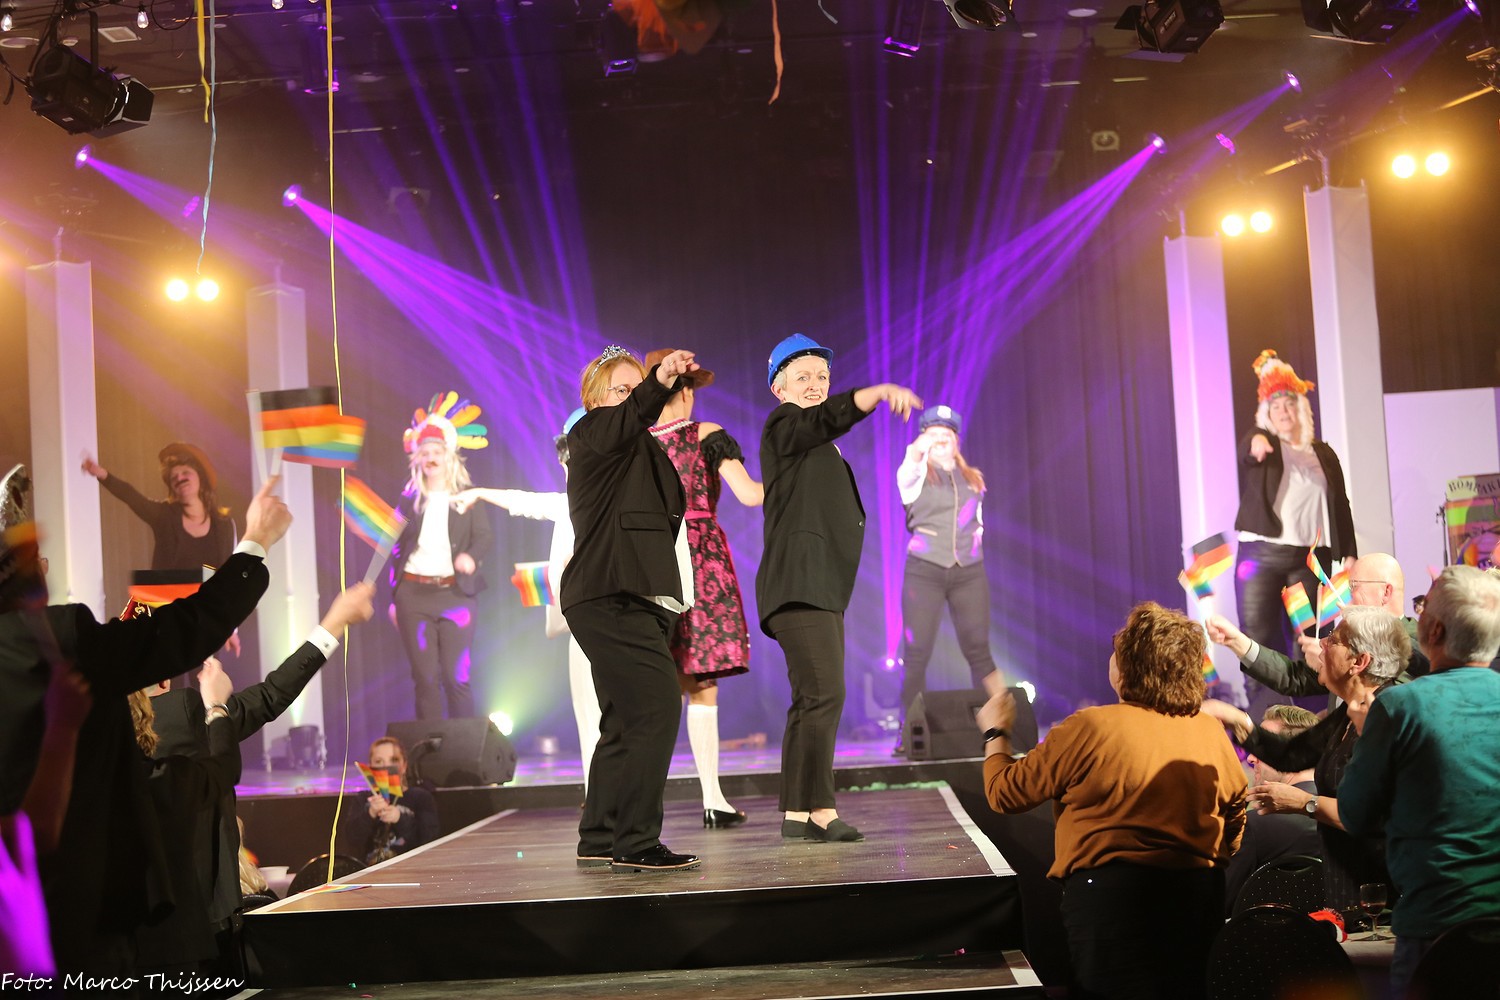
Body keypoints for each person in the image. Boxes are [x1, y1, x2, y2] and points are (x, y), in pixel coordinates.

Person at [0, 475, 291, 975]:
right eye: (34, 558)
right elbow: (181, 630)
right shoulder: (57, 642)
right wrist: (255, 542)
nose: (44, 566)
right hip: (80, 914)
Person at [976, 602, 1247, 1000]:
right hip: (1197, 896)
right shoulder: (1209, 731)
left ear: (1127, 667)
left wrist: (995, 732)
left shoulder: (1091, 726)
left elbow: (1005, 793)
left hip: (1113, 902)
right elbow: (1234, 822)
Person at [756, 333, 922, 844]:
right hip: (800, 583)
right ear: (779, 388)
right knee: (826, 693)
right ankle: (821, 810)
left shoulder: (814, 441)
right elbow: (823, 419)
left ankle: (798, 813)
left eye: (822, 377)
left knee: (812, 698)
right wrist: (874, 394)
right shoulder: (785, 424)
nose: (815, 385)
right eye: (803, 377)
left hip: (815, 585)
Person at [562, 346, 702, 872]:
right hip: (610, 592)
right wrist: (658, 380)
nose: (631, 398)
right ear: (597, 400)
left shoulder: (637, 446)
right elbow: (631, 416)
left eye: (633, 388)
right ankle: (637, 839)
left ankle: (600, 835)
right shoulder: (592, 433)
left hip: (631, 595)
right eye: (621, 390)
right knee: (658, 706)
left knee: (623, 719)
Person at [1338, 565, 1500, 998]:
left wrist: (1364, 737)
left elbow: (1354, 813)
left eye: (1423, 609)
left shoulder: (1400, 707)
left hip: (1437, 930)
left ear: (1435, 630)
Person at [1202, 604, 1408, 917]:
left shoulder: (1388, 713)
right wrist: (1236, 719)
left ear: (1359, 662)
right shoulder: (1347, 712)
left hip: (1385, 897)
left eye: (1334, 640)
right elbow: (1291, 754)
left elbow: (1372, 816)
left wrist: (1304, 803)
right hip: (1348, 891)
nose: (1321, 643)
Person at [644, 347, 763, 830]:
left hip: (649, 559)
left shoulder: (635, 442)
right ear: (687, 391)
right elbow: (750, 494)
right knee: (700, 681)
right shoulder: (705, 435)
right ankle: (712, 798)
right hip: (697, 557)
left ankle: (640, 803)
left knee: (657, 682)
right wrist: (798, 473)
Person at [454, 409, 601, 793]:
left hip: (608, 618)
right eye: (566, 461)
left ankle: (611, 792)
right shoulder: (566, 505)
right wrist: (480, 493)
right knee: (588, 714)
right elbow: (522, 502)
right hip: (579, 624)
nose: (568, 469)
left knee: (609, 712)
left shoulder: (603, 504)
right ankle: (596, 792)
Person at [1233, 350, 1356, 718]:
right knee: (1256, 638)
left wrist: (1349, 552)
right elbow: (1248, 450)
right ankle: (1263, 721)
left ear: (1301, 408)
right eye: (1276, 407)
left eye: (1289, 404)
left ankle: (1313, 720)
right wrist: (1257, 442)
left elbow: (1341, 504)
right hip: (1261, 556)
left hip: (1308, 560)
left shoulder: (1323, 453)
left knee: (1312, 639)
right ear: (1267, 414)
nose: (1283, 411)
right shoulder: (1265, 445)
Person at [893, 404, 1004, 755]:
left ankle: (1000, 725)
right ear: (924, 439)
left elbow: (978, 522)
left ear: (957, 442)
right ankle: (908, 730)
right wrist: (922, 446)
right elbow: (912, 460)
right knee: (917, 653)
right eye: (934, 434)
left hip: (968, 571)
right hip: (925, 569)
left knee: (978, 648)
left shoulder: (973, 479)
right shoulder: (913, 476)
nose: (941, 440)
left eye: (947, 435)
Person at [390, 393, 494, 720]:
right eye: (425, 452)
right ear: (417, 459)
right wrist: (395, 596)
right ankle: (432, 748)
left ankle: (465, 748)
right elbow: (393, 547)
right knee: (425, 679)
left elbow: (484, 536)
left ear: (449, 457)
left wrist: (471, 557)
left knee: (456, 678)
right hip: (413, 596)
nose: (431, 458)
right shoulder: (409, 499)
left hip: (455, 596)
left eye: (437, 452)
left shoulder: (466, 496)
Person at [1206, 552, 1429, 704]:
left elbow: (1392, 702)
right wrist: (1237, 642)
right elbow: (1292, 677)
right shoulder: (1348, 638)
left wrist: (1336, 663)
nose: (1346, 596)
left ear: (1386, 592)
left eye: (1353, 586)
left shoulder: (1418, 642)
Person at [1222, 704, 1322, 915]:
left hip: (1266, 932)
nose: (1251, 758)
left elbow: (1222, 902)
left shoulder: (1254, 825)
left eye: (1263, 748)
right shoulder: (1343, 815)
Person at [81, 443, 238, 572]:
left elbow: (230, 574)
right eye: (174, 477)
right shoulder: (164, 516)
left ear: (200, 478)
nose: (180, 478)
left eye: (185, 472)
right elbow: (132, 497)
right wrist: (102, 474)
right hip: (169, 601)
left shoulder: (223, 524)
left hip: (209, 601)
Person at [338, 736, 440, 867]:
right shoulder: (363, 798)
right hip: (370, 871)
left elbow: (429, 840)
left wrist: (400, 819)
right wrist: (370, 814)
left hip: (411, 869)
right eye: (379, 761)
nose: (386, 766)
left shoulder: (420, 797)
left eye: (394, 760)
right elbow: (351, 840)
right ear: (370, 767)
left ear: (404, 766)